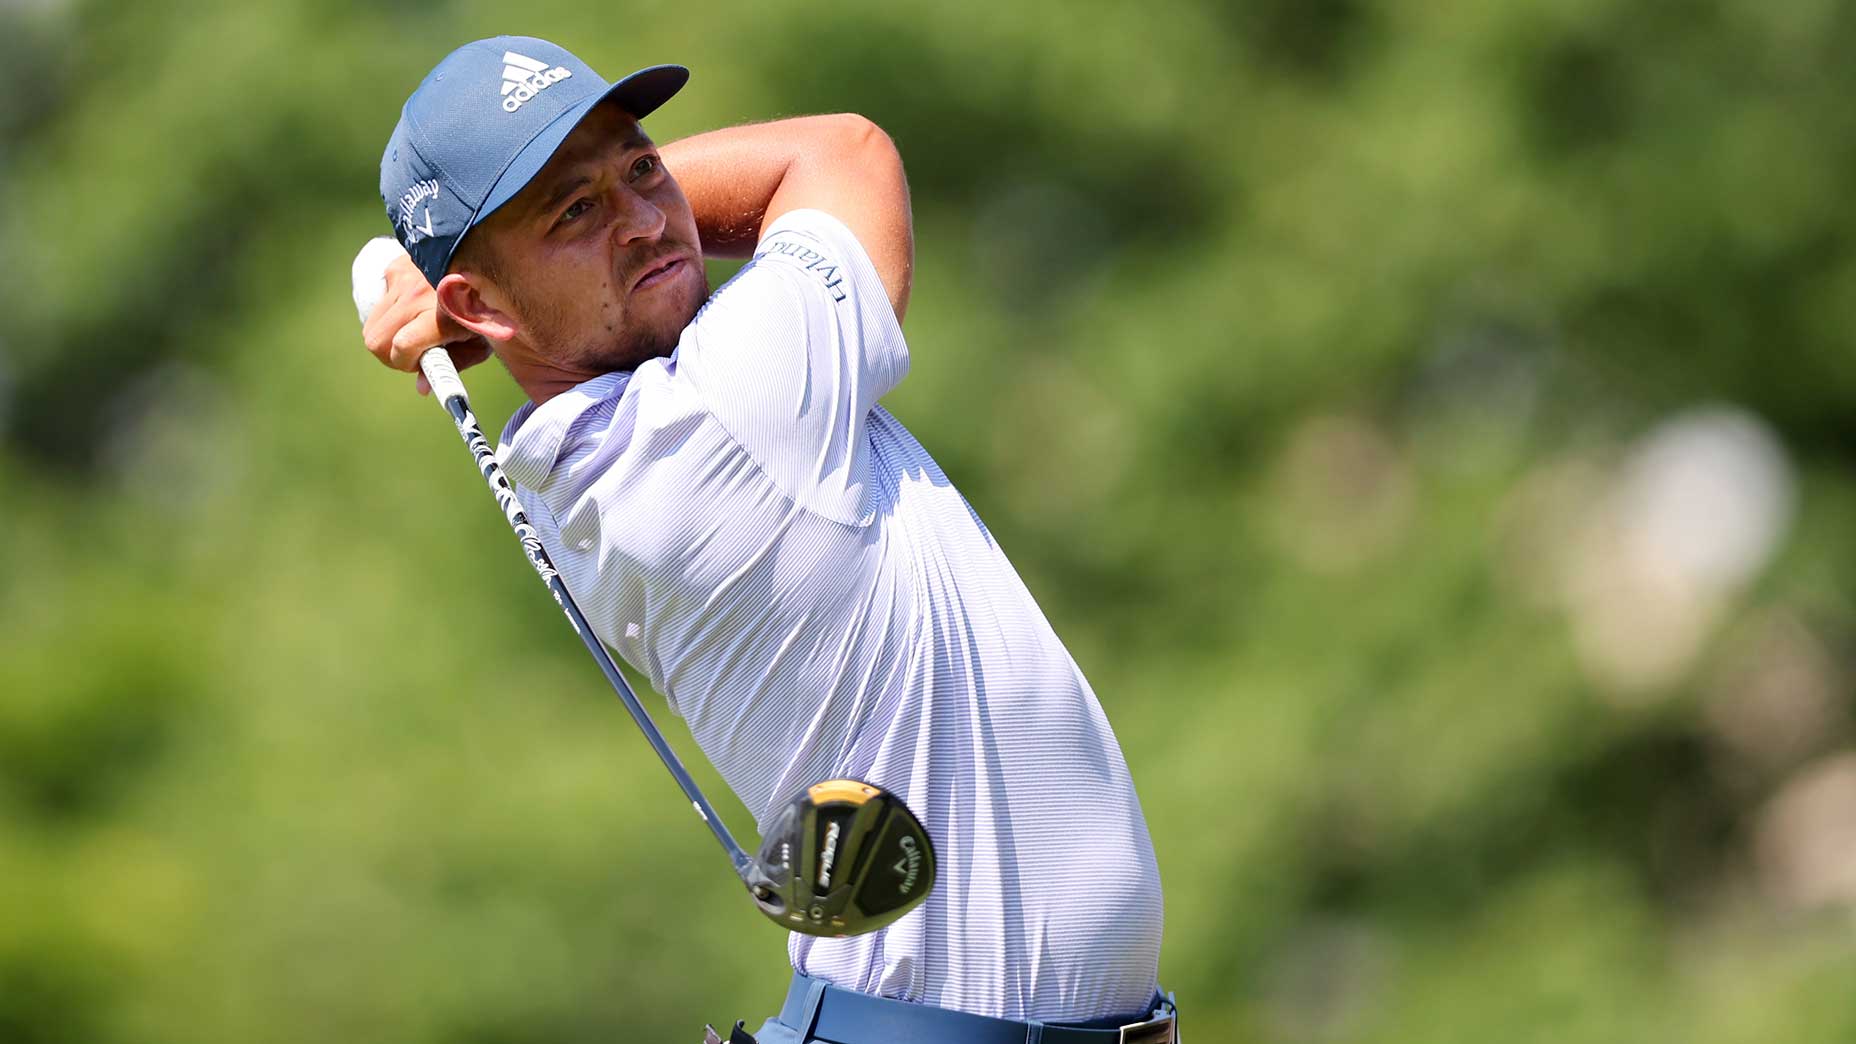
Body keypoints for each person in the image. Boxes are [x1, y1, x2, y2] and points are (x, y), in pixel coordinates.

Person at [357, 35, 1175, 1044]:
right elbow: (842, 152)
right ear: (477, 311)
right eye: (575, 211)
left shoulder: (602, 450)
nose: (647, 223)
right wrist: (478, 278)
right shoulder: (716, 419)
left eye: (643, 169)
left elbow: (653, 229)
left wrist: (484, 267)